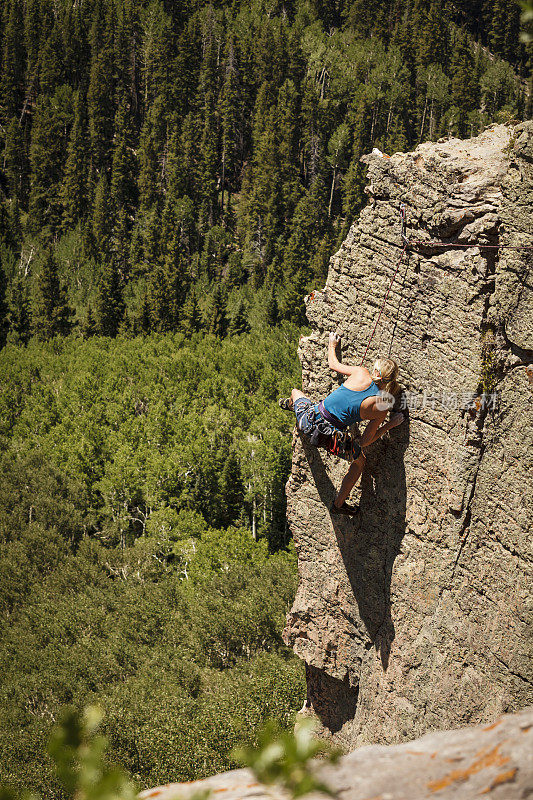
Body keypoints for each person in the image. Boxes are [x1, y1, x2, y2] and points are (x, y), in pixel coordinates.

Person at [279, 332, 404, 516]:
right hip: (331, 437)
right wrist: (390, 425)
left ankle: (292, 406)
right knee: (359, 462)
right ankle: (338, 505)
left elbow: (333, 365)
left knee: (296, 392)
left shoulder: (361, 372)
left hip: (310, 418)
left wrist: (332, 345)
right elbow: (365, 441)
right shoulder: (381, 406)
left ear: (376, 371)